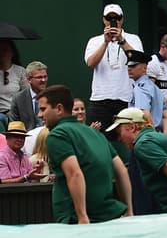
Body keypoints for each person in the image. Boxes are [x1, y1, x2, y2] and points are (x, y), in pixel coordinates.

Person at [38, 84, 132, 223]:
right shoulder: (95, 134)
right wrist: (129, 211)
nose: (39, 115)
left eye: (43, 109)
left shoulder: (57, 135)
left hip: (76, 221)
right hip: (110, 216)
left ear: (59, 109)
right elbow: (121, 171)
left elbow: (74, 174)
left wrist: (82, 217)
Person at [84, 3, 143, 130]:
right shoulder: (94, 41)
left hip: (125, 98)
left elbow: (138, 60)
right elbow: (90, 63)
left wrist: (121, 40)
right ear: (104, 20)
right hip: (100, 98)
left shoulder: (133, 39)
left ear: (121, 19)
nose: (112, 22)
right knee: (98, 137)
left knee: (126, 137)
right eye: (109, 18)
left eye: (116, 18)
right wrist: (105, 42)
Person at [125, 49, 167, 132]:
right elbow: (166, 115)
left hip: (145, 136)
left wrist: (152, 136)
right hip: (157, 134)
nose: (129, 69)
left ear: (144, 68)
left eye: (133, 66)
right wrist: (163, 136)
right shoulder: (154, 87)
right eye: (128, 66)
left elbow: (144, 113)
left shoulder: (141, 87)